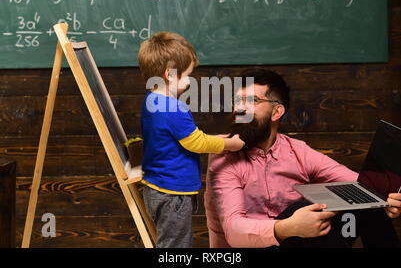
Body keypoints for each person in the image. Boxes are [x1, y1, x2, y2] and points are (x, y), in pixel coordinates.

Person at [204, 67, 401, 248]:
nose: (240, 108)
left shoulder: (297, 152)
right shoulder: (224, 154)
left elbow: (357, 184)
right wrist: (289, 227)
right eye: (237, 101)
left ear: (277, 112)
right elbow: (234, 231)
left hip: (297, 243)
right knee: (304, 208)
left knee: (364, 198)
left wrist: (386, 200)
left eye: (252, 101)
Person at [135, 31, 245, 248]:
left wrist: (213, 138)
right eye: (187, 75)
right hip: (172, 192)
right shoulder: (173, 107)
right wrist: (229, 144)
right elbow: (195, 142)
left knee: (166, 240)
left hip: (156, 187)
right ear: (169, 74)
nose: (189, 82)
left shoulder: (151, 100)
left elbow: (185, 137)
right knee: (176, 245)